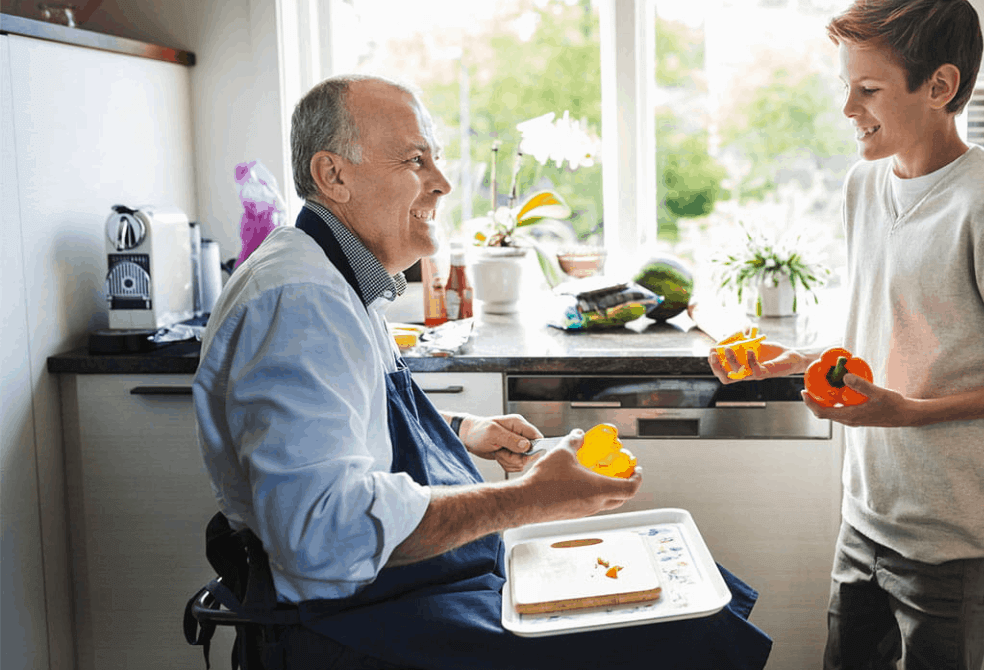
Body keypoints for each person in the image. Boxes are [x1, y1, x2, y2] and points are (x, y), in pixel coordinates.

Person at [189, 74, 772, 670]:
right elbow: (323, 535)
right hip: (355, 627)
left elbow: (343, 423)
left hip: (406, 592)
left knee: (695, 598)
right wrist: (525, 499)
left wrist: (463, 428)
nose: (441, 183)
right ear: (333, 175)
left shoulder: (332, 279)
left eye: (435, 159)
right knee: (684, 635)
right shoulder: (301, 302)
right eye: (416, 160)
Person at [709, 0, 984, 669]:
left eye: (868, 89)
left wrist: (911, 413)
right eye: (845, 86)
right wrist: (790, 358)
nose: (848, 109)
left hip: (949, 544)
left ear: (940, 86)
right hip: (863, 515)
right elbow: (887, 332)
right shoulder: (867, 184)